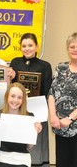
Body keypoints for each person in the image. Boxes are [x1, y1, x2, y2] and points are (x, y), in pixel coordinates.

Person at [10, 33, 52, 167]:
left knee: (36, 147)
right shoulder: (15, 62)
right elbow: (11, 88)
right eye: (24, 46)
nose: (27, 48)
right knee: (17, 144)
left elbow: (47, 91)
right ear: (20, 48)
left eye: (30, 45)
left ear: (36, 46)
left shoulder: (45, 66)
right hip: (18, 110)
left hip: (37, 111)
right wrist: (9, 77)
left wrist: (37, 110)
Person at [0, 82, 42, 167]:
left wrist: (35, 132)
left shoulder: (29, 116)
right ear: (7, 96)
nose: (15, 100)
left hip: (22, 159)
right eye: (12, 96)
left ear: (23, 100)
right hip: (2, 157)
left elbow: (30, 146)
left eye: (19, 98)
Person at [48, 32, 77, 167]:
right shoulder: (60, 68)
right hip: (60, 126)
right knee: (62, 163)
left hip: (74, 125)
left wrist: (70, 119)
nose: (75, 49)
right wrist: (53, 116)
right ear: (67, 49)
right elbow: (52, 93)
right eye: (72, 46)